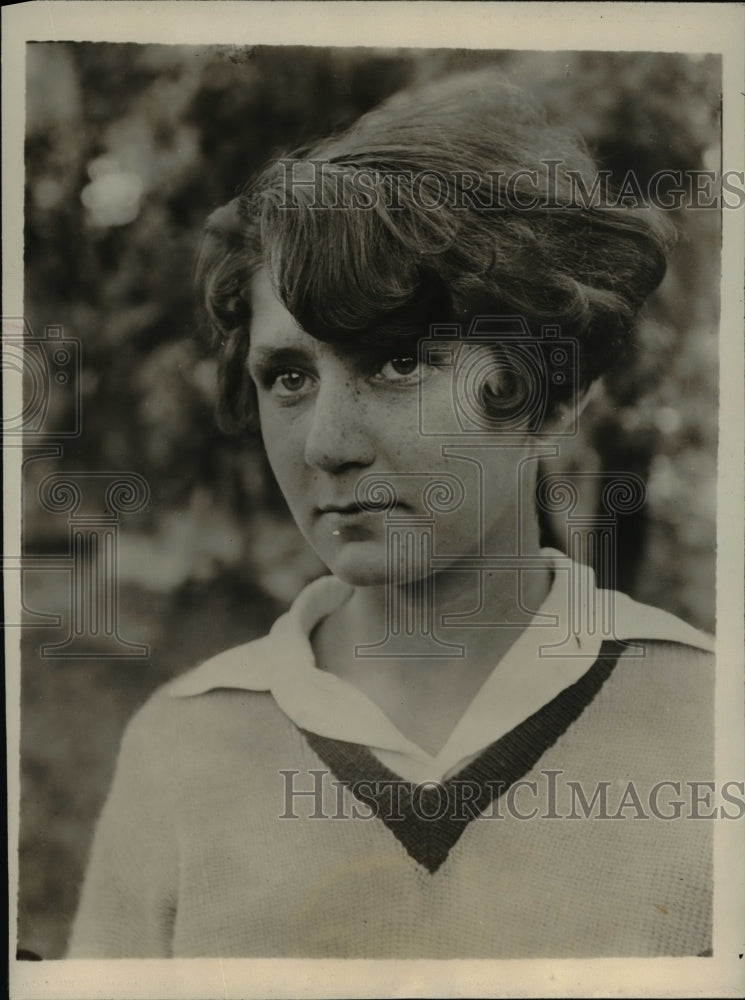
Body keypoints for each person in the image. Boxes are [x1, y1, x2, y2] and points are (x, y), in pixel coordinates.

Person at [68, 69, 715, 959]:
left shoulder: (710, 728)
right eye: (289, 377)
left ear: (550, 395)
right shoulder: (184, 744)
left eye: (398, 363)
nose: (326, 442)